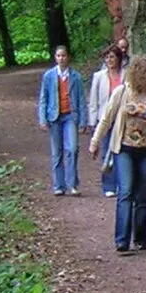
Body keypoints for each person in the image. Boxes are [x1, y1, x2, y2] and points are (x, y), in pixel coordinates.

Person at [91, 55, 146, 252]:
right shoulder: (121, 92)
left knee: (142, 195)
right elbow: (106, 119)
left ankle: (140, 237)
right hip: (124, 149)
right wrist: (95, 141)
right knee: (126, 191)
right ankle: (122, 239)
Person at [35, 45, 88, 196]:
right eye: (58, 56)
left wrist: (83, 122)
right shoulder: (49, 76)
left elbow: (81, 100)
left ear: (68, 57)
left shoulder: (76, 77)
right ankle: (59, 185)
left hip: (70, 116)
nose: (61, 58)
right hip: (54, 117)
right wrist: (42, 118)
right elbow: (43, 98)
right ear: (55, 58)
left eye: (63, 55)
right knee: (57, 152)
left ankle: (73, 184)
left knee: (72, 149)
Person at [87, 46, 126, 196]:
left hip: (122, 119)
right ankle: (109, 186)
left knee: (121, 151)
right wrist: (93, 122)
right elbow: (93, 100)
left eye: (112, 57)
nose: (109, 60)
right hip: (104, 118)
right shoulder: (99, 76)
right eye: (107, 57)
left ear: (119, 59)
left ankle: (122, 184)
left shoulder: (126, 75)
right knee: (106, 152)